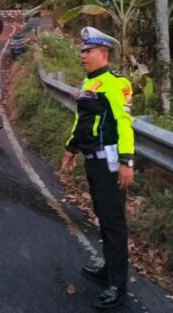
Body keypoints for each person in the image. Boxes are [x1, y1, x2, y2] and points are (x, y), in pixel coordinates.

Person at [60, 26, 135, 310]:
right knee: (104, 218)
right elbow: (82, 123)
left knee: (114, 223)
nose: (83, 55)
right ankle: (108, 269)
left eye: (88, 51)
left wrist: (127, 161)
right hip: (93, 162)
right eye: (82, 51)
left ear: (103, 53)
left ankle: (118, 285)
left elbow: (125, 124)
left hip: (111, 163)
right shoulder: (88, 83)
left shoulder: (117, 83)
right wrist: (70, 149)